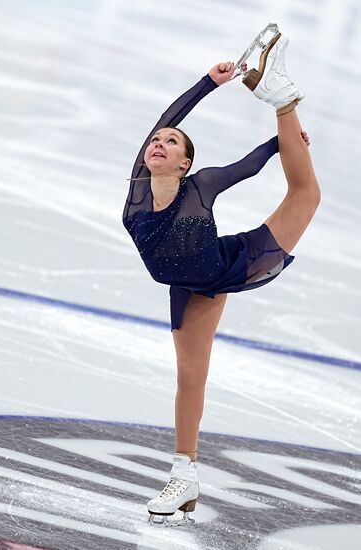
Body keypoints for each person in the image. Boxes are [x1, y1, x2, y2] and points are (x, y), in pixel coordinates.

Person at [122, 34, 321, 525]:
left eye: (171, 143)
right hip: (188, 286)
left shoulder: (202, 184)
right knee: (191, 377)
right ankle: (184, 476)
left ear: (185, 162)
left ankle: (283, 100)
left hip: (228, 262)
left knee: (306, 194)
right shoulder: (138, 192)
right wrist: (206, 84)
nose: (160, 143)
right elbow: (166, 116)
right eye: (156, 142)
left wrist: (281, 142)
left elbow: (250, 167)